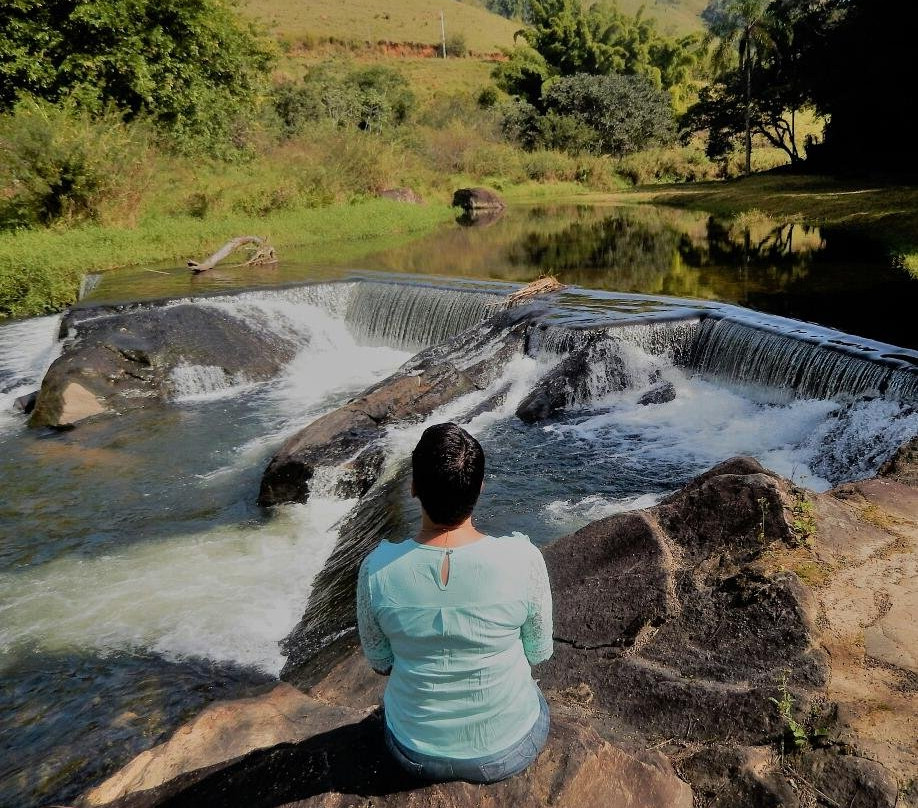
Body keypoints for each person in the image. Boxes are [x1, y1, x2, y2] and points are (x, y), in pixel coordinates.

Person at [356, 422, 554, 783]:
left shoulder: (375, 570)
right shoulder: (524, 559)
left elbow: (380, 662)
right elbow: (539, 652)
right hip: (507, 749)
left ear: (413, 487)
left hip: (412, 751)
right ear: (480, 487)